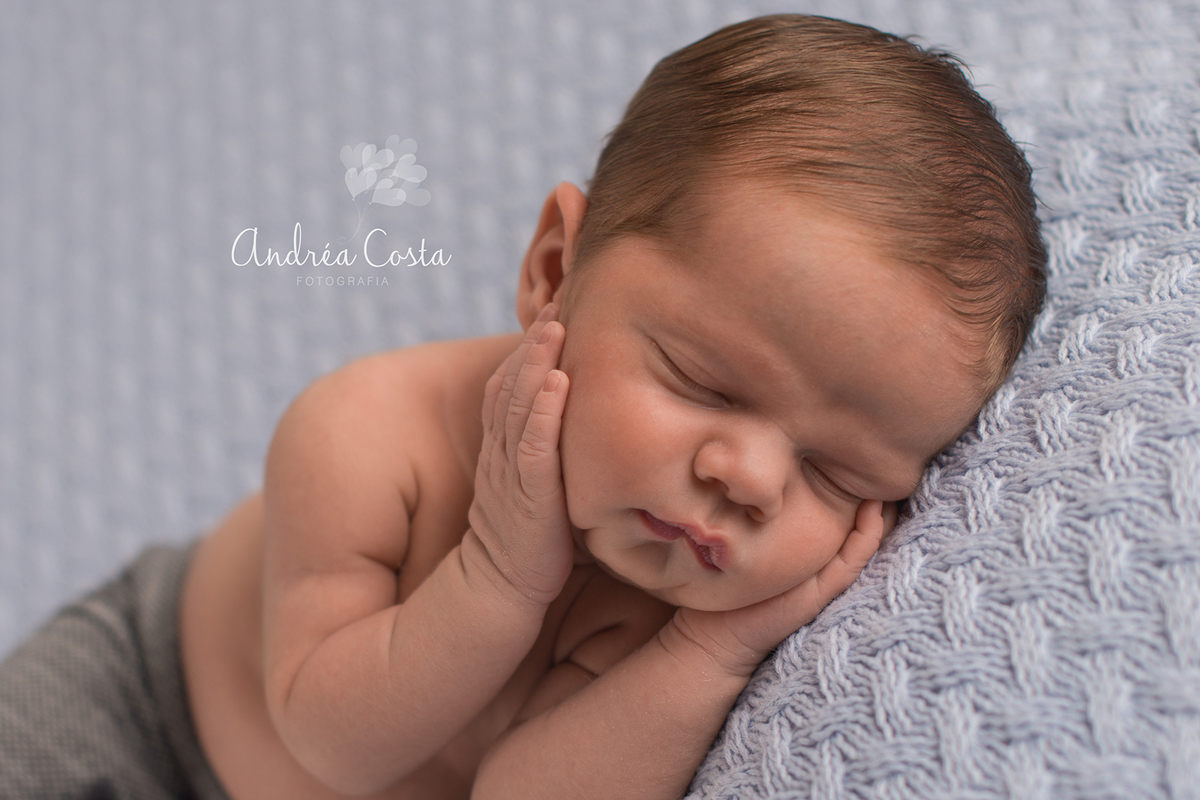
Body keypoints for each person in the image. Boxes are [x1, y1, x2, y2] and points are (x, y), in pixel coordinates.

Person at [0, 13, 1046, 800]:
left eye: (839, 473)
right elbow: (330, 743)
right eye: (705, 383)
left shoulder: (674, 595)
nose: (752, 480)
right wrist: (500, 576)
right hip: (134, 707)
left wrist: (706, 658)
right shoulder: (369, 434)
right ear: (554, 269)